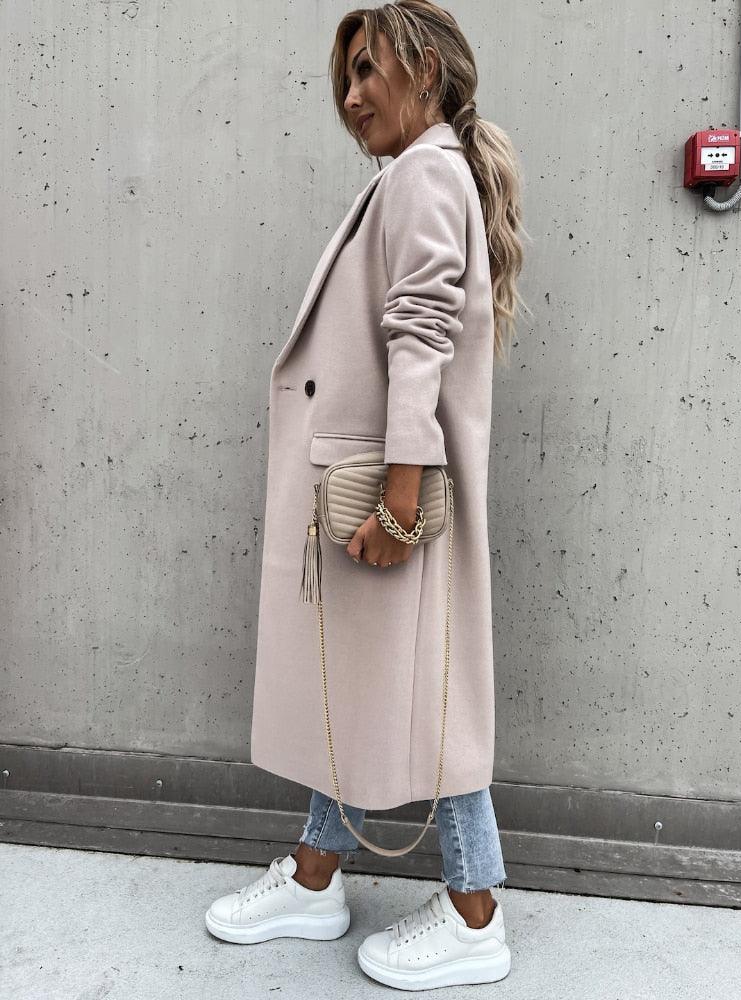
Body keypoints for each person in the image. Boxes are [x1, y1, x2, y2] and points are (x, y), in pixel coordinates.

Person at [206, 1, 529, 990]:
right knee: (360, 682)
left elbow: (421, 331)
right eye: (342, 79)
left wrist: (400, 492)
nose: (350, 96)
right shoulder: (417, 172)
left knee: (433, 695)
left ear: (423, 71)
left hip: (384, 484)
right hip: (364, 476)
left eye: (367, 71)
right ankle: (316, 876)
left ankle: (475, 908)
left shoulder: (427, 174)